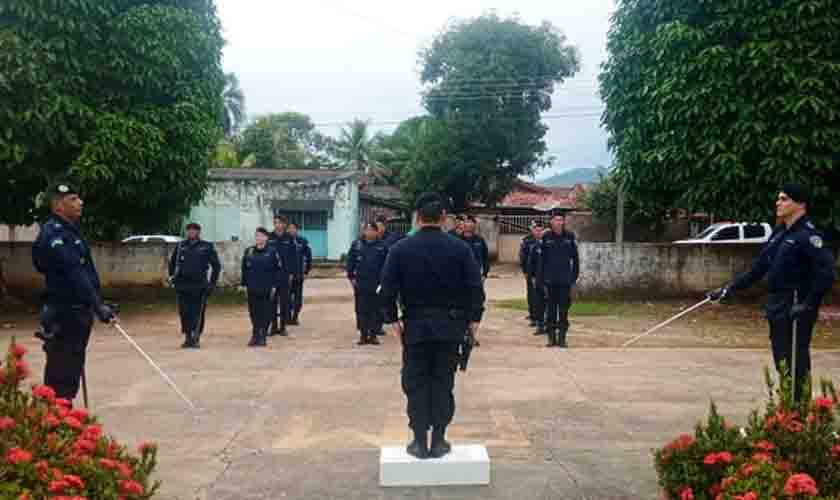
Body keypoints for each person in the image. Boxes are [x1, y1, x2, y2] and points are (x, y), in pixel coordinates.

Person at [380, 193, 485, 459]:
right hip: (450, 327)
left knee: (415, 383)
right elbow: (476, 289)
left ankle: (417, 441)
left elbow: (386, 291)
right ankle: (438, 440)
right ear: (443, 218)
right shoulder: (461, 249)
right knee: (442, 382)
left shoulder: (400, 249)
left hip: (414, 327)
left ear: (417, 217)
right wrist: (474, 322)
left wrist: (393, 320)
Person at [708, 184, 835, 401]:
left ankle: (799, 413)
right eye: (778, 198)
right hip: (776, 304)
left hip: (796, 304)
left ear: (800, 204)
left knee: (796, 361)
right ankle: (788, 409)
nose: (778, 203)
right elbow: (759, 268)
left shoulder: (808, 235)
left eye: (784, 199)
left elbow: (826, 273)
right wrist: (730, 289)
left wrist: (809, 304)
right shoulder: (779, 233)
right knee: (782, 361)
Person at [31, 182, 116, 402]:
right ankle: (56, 426)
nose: (80, 203)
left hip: (77, 312)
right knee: (62, 377)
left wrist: (97, 302)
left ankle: (62, 422)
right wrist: (97, 306)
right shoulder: (54, 234)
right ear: (58, 206)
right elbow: (74, 272)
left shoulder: (70, 231)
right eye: (73, 199)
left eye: (78, 198)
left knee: (70, 373)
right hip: (65, 313)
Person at [168, 222, 221, 349]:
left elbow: (216, 266)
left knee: (198, 313)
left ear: (198, 232)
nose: (191, 232)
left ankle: (196, 337)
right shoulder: (181, 246)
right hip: (182, 285)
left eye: (194, 230)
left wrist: (212, 284)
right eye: (189, 230)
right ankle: (187, 337)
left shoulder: (206, 246)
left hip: (199, 285)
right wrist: (172, 278)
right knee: (184, 312)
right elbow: (172, 263)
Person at [535, 213, 579, 348]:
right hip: (550, 280)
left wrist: (573, 277)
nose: (559, 222)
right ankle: (551, 338)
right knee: (551, 310)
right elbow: (541, 261)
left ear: (564, 222)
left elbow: (575, 259)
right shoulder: (546, 237)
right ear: (551, 222)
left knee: (564, 310)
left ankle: (562, 338)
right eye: (556, 219)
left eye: (561, 219)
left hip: (565, 280)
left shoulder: (570, 236)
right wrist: (540, 279)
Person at [241, 227, 285, 347]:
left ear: (266, 238)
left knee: (265, 312)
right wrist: (244, 285)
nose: (258, 238)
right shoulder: (249, 251)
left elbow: (278, 270)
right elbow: (244, 270)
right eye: (257, 236)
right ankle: (255, 334)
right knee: (253, 312)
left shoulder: (272, 252)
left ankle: (263, 335)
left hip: (267, 287)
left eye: (261, 236)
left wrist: (275, 285)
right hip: (252, 287)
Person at [346, 223, 389, 345]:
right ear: (364, 231)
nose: (369, 232)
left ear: (376, 232)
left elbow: (387, 265)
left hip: (377, 284)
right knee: (361, 309)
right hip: (361, 283)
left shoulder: (382, 246)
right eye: (367, 230)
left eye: (372, 230)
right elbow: (350, 262)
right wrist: (351, 277)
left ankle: (374, 335)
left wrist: (384, 281)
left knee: (376, 309)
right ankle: (363, 335)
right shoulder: (357, 245)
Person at [268, 215, 293, 336]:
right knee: (271, 302)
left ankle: (283, 327)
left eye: (279, 222)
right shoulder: (269, 237)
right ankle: (273, 326)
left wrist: (292, 273)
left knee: (284, 302)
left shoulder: (289, 238)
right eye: (275, 223)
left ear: (284, 224)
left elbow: (294, 257)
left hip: (284, 274)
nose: (277, 225)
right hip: (272, 275)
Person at [286, 223, 312, 325]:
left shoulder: (302, 241)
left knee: (298, 299)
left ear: (297, 230)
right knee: (286, 299)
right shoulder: (284, 241)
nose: (291, 230)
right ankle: (287, 317)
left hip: (298, 275)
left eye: (293, 228)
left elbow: (308, 257)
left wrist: (306, 271)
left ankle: (295, 317)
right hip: (286, 276)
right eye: (289, 228)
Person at [524, 222, 547, 334]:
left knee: (550, 303)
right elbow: (530, 264)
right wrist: (531, 276)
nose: (539, 232)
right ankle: (539, 324)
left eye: (541, 230)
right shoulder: (533, 246)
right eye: (537, 230)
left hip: (549, 280)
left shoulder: (549, 245)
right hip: (537, 279)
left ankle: (549, 325)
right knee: (538, 302)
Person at [460, 216, 490, 280]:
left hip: (476, 274)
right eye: (466, 222)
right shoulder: (457, 240)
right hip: (460, 275)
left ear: (474, 225)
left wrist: (484, 274)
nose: (467, 224)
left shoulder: (480, 240)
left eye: (470, 222)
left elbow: (485, 258)